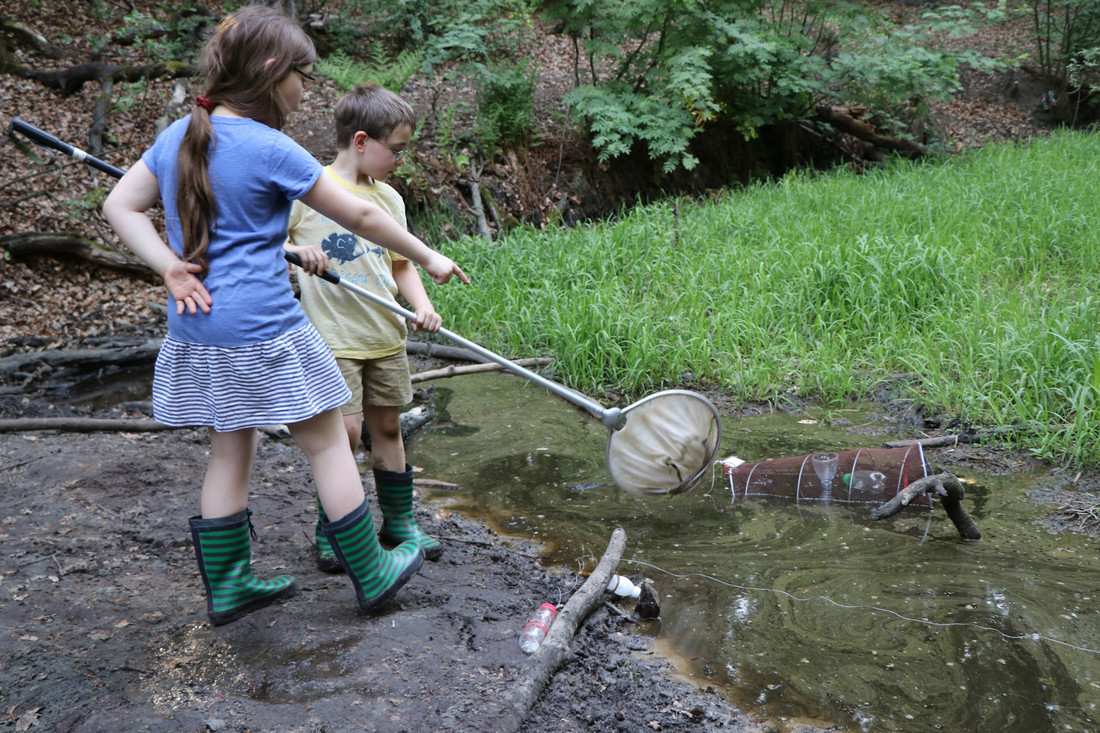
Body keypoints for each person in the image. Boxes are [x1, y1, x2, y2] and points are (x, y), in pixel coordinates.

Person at [101, 6, 468, 626]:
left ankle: (230, 586)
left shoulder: (181, 135)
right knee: (327, 444)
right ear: (272, 70)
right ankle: (373, 571)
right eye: (303, 75)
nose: (305, 90)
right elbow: (361, 215)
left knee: (230, 448)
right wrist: (427, 256)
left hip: (198, 328)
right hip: (264, 328)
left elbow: (120, 205)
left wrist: (169, 266)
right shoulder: (271, 147)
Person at [285, 84, 446, 572]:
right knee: (346, 432)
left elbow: (401, 263)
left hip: (385, 335)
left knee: (389, 427)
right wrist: (293, 254)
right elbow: (266, 242)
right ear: (361, 141)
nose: (400, 160)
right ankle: (334, 530)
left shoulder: (389, 199)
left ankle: (399, 523)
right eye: (395, 150)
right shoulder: (310, 192)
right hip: (333, 336)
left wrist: (422, 305)